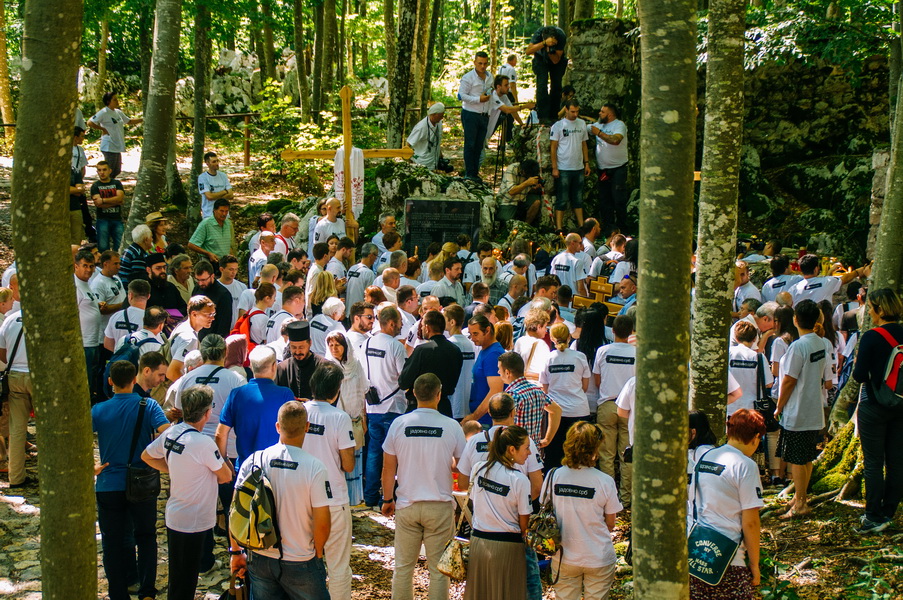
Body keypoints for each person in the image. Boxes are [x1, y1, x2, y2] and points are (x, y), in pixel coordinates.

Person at [228, 401, 332, 600]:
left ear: (277, 426)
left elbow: (235, 510)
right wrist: (318, 552)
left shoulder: (254, 460)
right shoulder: (315, 467)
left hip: (260, 555)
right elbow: (322, 521)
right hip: (301, 557)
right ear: (307, 427)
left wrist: (236, 551)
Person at [141, 385, 233, 600]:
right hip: (195, 520)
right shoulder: (203, 443)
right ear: (207, 413)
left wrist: (174, 468)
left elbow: (147, 455)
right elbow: (226, 476)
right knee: (187, 580)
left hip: (175, 515)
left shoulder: (172, 432)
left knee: (177, 577)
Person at [381, 373, 466, 600]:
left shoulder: (399, 424)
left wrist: (387, 499)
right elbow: (462, 467)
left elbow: (388, 467)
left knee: (403, 568)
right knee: (439, 570)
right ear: (439, 395)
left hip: (407, 504)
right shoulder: (452, 426)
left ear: (414, 394)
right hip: (439, 505)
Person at [92, 361, 169, 600]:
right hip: (142, 481)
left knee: (112, 542)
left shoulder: (98, 410)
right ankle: (147, 592)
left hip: (108, 483)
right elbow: (167, 433)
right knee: (146, 537)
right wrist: (152, 456)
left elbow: (75, 438)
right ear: (134, 380)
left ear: (110, 381)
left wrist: (90, 467)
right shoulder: (149, 405)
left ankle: (118, 593)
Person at [688, 409, 765, 600]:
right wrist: (754, 564)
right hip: (729, 556)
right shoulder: (745, 465)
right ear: (756, 437)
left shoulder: (705, 457)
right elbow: (751, 522)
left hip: (695, 551)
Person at [546, 422, 622, 600]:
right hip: (598, 555)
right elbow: (610, 523)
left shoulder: (553, 476)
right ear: (595, 448)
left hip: (563, 555)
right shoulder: (605, 481)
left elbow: (546, 512)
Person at [300, 364, 355, 600]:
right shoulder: (340, 417)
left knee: (302, 562)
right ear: (336, 389)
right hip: (333, 498)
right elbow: (349, 465)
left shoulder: (299, 412)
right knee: (338, 565)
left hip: (301, 498)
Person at [774, 299, 833, 518]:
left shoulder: (799, 346)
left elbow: (789, 380)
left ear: (795, 319)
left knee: (798, 459)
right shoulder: (820, 342)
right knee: (807, 457)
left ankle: (800, 503)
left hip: (798, 409)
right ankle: (800, 497)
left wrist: (779, 406)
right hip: (813, 407)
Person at [851, 288, 903, 533]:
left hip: (874, 404)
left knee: (874, 462)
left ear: (880, 310)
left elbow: (859, 375)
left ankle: (872, 515)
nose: (869, 312)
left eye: (871, 308)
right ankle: (889, 511)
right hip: (900, 404)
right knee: (896, 460)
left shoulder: (872, 337)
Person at [463, 426, 533, 600]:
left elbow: (473, 499)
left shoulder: (478, 468)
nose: (529, 453)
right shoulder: (520, 480)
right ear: (512, 449)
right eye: (526, 448)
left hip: (479, 543)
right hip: (508, 548)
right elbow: (524, 524)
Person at [216, 345, 296, 472]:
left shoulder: (236, 394)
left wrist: (224, 461)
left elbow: (220, 434)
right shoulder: (285, 395)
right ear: (274, 366)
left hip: (245, 469)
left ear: (251, 366)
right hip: (277, 469)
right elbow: (294, 433)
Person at [362, 305, 408, 507]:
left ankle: (370, 496)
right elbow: (404, 377)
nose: (401, 326)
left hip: (373, 406)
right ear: (391, 323)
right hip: (393, 406)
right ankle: (388, 497)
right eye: (399, 323)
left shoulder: (366, 343)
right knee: (392, 455)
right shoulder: (395, 346)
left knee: (374, 452)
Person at [458, 392, 544, 500]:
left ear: (489, 412)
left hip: (480, 509)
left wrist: (482, 502)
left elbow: (463, 484)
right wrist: (520, 505)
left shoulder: (473, 441)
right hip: (515, 509)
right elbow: (537, 487)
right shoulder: (525, 442)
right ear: (513, 412)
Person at [325, 330, 368, 505]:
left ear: (345, 346)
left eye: (338, 345)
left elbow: (362, 391)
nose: (334, 348)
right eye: (331, 345)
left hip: (354, 419)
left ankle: (354, 499)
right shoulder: (327, 366)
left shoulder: (355, 365)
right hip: (336, 421)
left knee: (354, 459)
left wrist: (363, 417)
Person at [540, 323, 591, 470]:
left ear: (551, 338)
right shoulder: (580, 357)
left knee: (553, 456)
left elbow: (545, 389)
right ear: (569, 337)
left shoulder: (548, 358)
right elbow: (585, 386)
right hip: (579, 410)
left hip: (555, 414)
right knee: (579, 455)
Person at [398, 310, 463, 417]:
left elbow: (404, 381)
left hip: (419, 409)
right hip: (443, 408)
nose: (421, 329)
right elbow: (452, 384)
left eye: (422, 326)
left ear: (427, 328)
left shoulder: (422, 350)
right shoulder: (455, 350)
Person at [498, 350, 562, 455]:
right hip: (535, 452)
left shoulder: (512, 395)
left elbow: (505, 424)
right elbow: (556, 410)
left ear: (507, 372)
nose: (498, 372)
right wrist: (547, 439)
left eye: (499, 369)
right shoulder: (536, 390)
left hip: (516, 453)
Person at [550, 101, 590, 231]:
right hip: (563, 167)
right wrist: (554, 167)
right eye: (572, 111)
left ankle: (581, 226)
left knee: (578, 198)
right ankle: (559, 227)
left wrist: (586, 163)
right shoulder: (558, 125)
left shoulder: (582, 123)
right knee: (562, 199)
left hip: (578, 167)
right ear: (566, 110)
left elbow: (584, 144)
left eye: (577, 111)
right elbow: (553, 147)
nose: (575, 114)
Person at [590, 104, 629, 232]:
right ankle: (609, 230)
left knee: (619, 199)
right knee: (605, 201)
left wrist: (599, 133)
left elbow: (616, 140)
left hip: (618, 168)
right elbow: (581, 128)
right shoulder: (598, 125)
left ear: (610, 115)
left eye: (602, 112)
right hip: (603, 170)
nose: (599, 113)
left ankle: (623, 229)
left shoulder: (619, 125)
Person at [88, 91, 142, 178]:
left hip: (117, 144)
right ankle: (105, 185)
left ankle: (110, 184)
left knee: (117, 170)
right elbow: (90, 122)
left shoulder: (118, 112)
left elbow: (128, 121)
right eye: (114, 100)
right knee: (110, 170)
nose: (117, 101)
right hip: (109, 145)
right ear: (108, 101)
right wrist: (103, 129)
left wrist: (143, 119)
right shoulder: (104, 112)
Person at [464, 315, 506, 425]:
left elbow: (495, 391)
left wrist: (474, 417)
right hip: (482, 418)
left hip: (487, 420)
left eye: (475, 334)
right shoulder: (486, 350)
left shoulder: (493, 354)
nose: (472, 338)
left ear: (487, 330)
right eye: (470, 334)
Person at [74, 249, 104, 400]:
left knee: (92, 378)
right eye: (85, 266)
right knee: (85, 380)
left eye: (91, 266)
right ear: (76, 266)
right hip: (83, 342)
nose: (88, 270)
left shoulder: (86, 284)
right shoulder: (75, 286)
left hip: (93, 341)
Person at [458, 51, 493, 181]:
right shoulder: (468, 77)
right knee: (470, 145)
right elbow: (461, 95)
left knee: (479, 146)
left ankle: (475, 173)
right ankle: (469, 173)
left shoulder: (490, 77)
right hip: (470, 114)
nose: (482, 66)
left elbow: (491, 91)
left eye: (485, 63)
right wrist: (478, 99)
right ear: (475, 63)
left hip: (484, 115)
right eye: (480, 63)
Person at [276, 320, 332, 398]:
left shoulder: (323, 366)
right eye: (293, 347)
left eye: (301, 347)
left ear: (310, 343)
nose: (297, 352)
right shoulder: (282, 368)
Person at [166, 295, 216, 381]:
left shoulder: (182, 326)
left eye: (213, 314)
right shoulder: (189, 339)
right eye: (208, 314)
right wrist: (190, 387)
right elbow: (172, 373)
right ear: (194, 314)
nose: (213, 318)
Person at [525, 25, 568, 124]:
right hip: (540, 59)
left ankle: (554, 115)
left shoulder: (561, 36)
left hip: (557, 59)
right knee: (542, 85)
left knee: (556, 86)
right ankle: (543, 116)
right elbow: (528, 51)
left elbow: (556, 61)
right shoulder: (539, 34)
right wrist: (544, 43)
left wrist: (550, 49)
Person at [789, 253, 868, 305]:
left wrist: (830, 271)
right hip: (824, 323)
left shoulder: (793, 289)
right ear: (816, 269)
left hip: (802, 324)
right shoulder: (827, 282)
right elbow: (845, 278)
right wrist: (857, 272)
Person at [102, 279, 150, 351]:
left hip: (119, 357)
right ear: (148, 296)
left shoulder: (116, 316)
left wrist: (122, 353)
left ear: (130, 295)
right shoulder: (150, 319)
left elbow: (107, 344)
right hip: (142, 357)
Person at [90, 161, 126, 252]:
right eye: (99, 170)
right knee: (103, 247)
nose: (102, 172)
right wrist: (116, 201)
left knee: (120, 246)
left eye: (104, 170)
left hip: (117, 219)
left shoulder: (117, 183)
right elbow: (98, 203)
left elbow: (120, 198)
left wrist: (103, 201)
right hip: (102, 219)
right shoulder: (95, 186)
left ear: (110, 171)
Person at [187, 199, 235, 265]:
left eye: (226, 211)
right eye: (221, 211)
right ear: (214, 210)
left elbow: (229, 245)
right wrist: (208, 253)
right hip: (209, 263)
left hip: (224, 264)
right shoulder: (206, 224)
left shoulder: (228, 224)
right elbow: (191, 245)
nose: (224, 214)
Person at [194, 260, 234, 339]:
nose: (200, 283)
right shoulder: (197, 288)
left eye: (203, 280)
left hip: (212, 339)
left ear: (212, 276)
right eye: (198, 280)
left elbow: (224, 326)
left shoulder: (223, 295)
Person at [497, 159, 542, 224]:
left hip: (523, 198)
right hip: (508, 200)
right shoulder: (512, 168)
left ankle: (526, 225)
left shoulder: (532, 172)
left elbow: (530, 190)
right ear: (523, 171)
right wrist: (527, 183)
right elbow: (511, 191)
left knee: (536, 202)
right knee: (506, 221)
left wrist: (536, 187)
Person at [92, 250, 127, 331]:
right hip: (108, 329)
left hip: (121, 326)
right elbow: (101, 310)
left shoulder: (116, 278)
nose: (119, 267)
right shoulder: (98, 284)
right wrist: (123, 304)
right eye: (115, 264)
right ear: (105, 264)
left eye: (119, 263)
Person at [408, 103, 446, 170]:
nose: (442, 118)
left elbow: (437, 139)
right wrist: (411, 159)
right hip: (421, 163)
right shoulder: (421, 127)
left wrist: (440, 154)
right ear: (433, 114)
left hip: (433, 161)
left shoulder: (439, 123)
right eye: (440, 116)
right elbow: (408, 144)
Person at [197, 152, 234, 220]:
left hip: (224, 215)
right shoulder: (203, 177)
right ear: (207, 163)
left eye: (217, 161)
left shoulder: (223, 176)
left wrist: (215, 196)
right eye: (214, 162)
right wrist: (224, 191)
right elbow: (209, 196)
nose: (217, 163)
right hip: (209, 215)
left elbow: (231, 195)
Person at [346, 243, 378, 308]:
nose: (376, 258)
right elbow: (369, 296)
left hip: (348, 309)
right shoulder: (369, 273)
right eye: (376, 255)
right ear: (371, 255)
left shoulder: (352, 268)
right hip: (360, 311)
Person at [218, 255, 247, 325]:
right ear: (221, 269)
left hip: (236, 328)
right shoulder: (214, 287)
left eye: (236, 269)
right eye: (231, 269)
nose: (234, 272)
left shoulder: (242, 287)